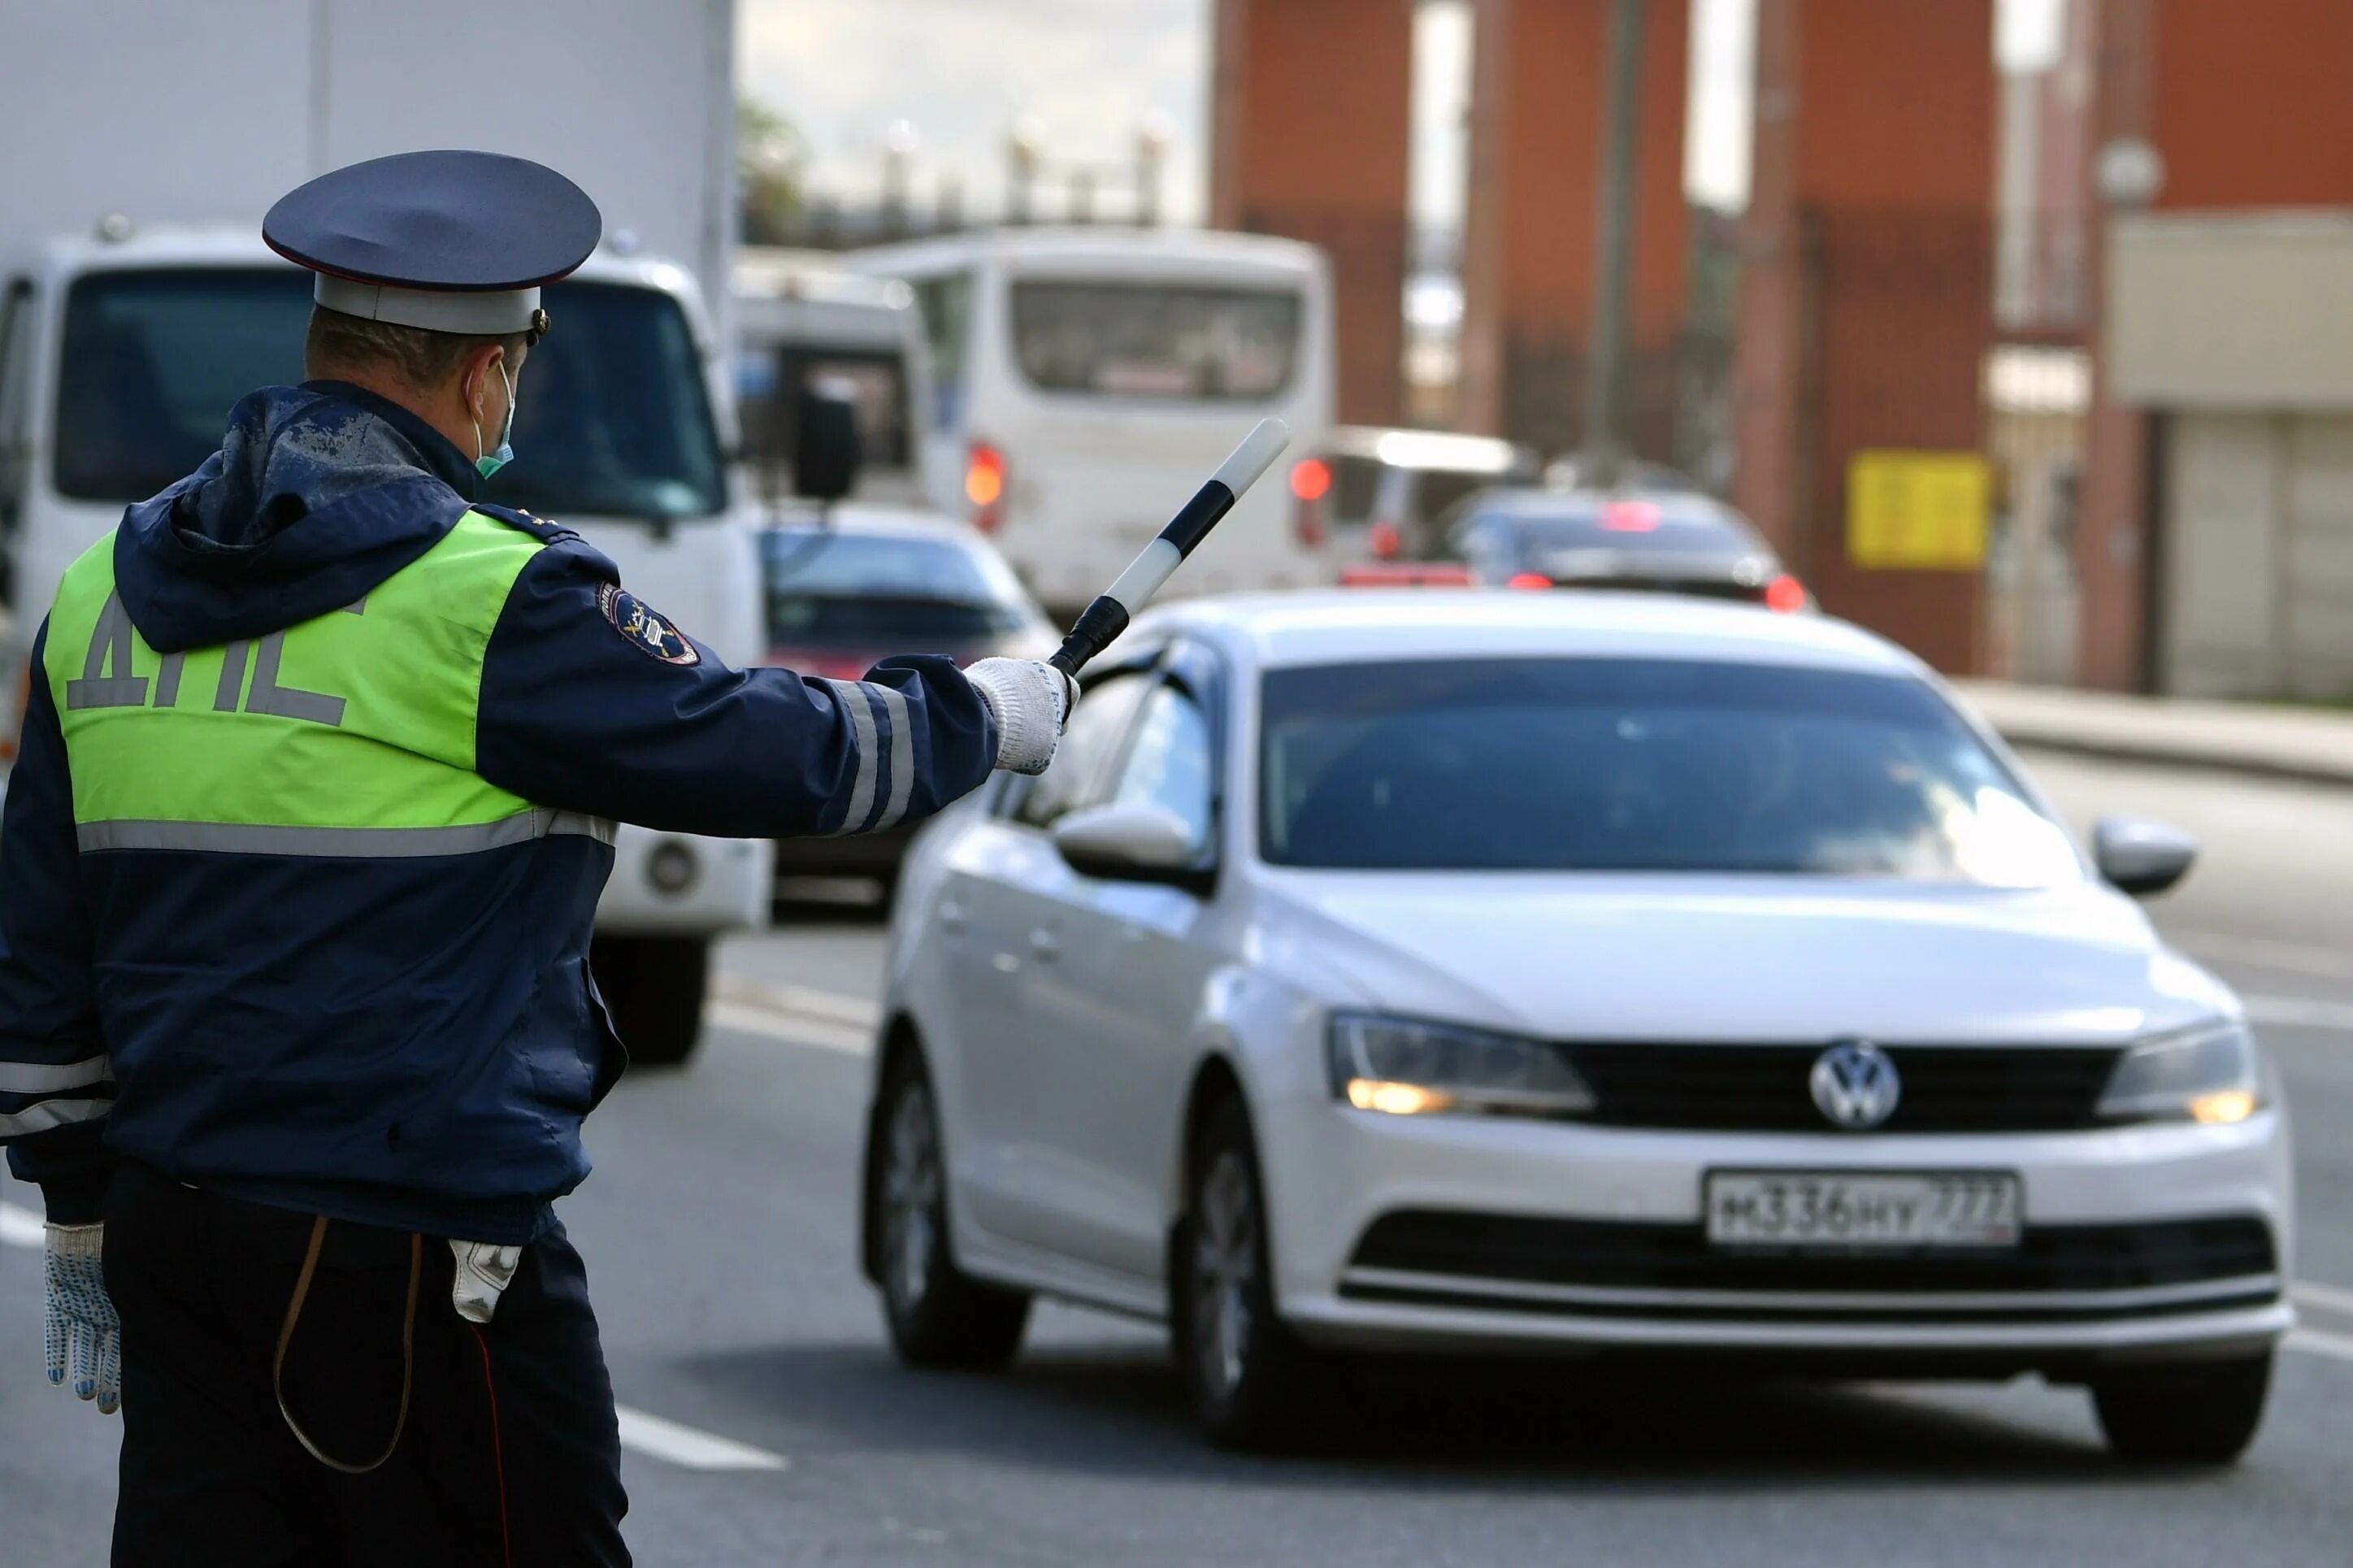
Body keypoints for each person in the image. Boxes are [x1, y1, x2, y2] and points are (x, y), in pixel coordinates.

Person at [0, 150, 1074, 1566]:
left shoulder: (102, 591)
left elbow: (36, 943)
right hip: (413, 1250)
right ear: (482, 379)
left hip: (177, 1235)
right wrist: (976, 716)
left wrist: (76, 1203)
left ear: (322, 345)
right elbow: (764, 748)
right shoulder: (485, 596)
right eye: (513, 367)